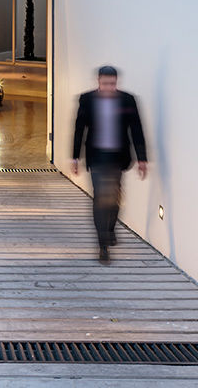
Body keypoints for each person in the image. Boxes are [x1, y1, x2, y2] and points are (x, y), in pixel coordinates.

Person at [71, 65, 148, 264]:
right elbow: (79, 128)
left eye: (112, 84)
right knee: (99, 198)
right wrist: (75, 157)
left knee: (114, 198)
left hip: (118, 157)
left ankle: (111, 228)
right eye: (105, 84)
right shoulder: (87, 100)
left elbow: (136, 128)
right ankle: (102, 244)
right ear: (98, 82)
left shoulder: (127, 100)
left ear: (116, 83)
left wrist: (142, 158)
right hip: (96, 157)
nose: (109, 88)